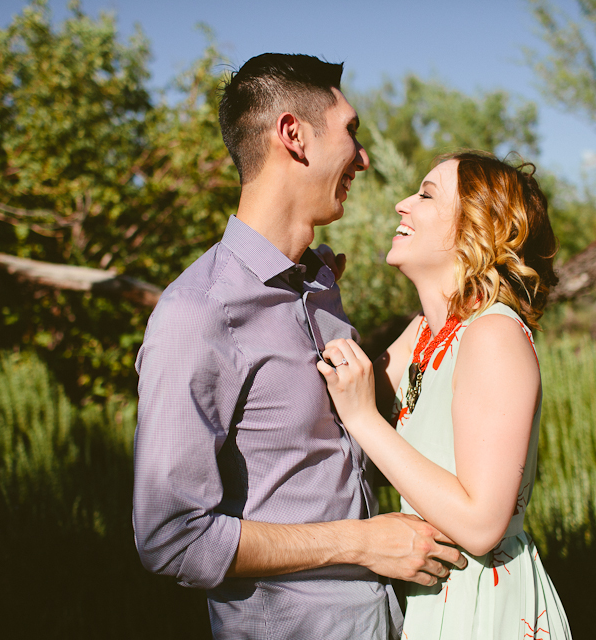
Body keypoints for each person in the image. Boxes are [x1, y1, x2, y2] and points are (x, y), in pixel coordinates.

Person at [132, 53, 465, 640]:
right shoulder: (198, 314)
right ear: (293, 135)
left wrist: (450, 299)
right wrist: (361, 543)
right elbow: (173, 538)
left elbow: (334, 421)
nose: (362, 158)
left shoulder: (316, 284)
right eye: (351, 133)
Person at [317, 151, 572, 639]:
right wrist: (316, 289)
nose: (401, 204)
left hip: (483, 607)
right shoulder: (425, 332)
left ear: (476, 228)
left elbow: (480, 524)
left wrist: (367, 419)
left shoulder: (493, 333)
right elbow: (329, 409)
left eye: (427, 194)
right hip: (434, 595)